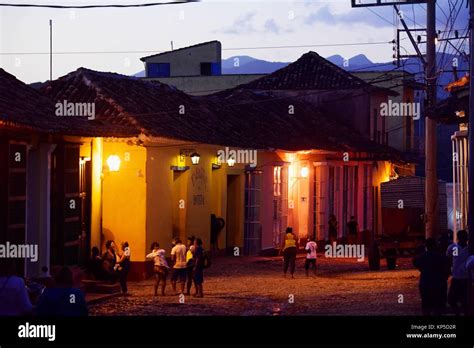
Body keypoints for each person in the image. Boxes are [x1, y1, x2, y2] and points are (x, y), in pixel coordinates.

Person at [413, 238, 450, 316]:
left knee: (426, 306)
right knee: (439, 306)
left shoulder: (421, 256)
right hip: (439, 283)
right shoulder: (441, 256)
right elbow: (447, 270)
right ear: (435, 246)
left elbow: (415, 262)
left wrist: (422, 269)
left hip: (425, 283)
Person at [446, 230, 469, 315]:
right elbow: (448, 258)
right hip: (459, 277)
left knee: (462, 300)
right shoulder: (453, 247)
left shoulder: (468, 248)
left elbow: (448, 258)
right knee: (454, 300)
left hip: (463, 277)